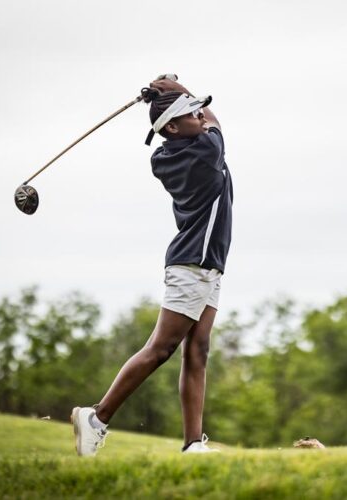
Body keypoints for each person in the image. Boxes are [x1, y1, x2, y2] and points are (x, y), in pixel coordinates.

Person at [71, 76, 233, 456]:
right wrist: (177, 85)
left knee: (198, 350)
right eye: (190, 111)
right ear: (173, 127)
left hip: (206, 265)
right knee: (160, 349)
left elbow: (196, 119)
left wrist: (173, 95)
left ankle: (193, 443)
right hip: (193, 266)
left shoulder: (164, 156)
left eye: (197, 108)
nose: (199, 113)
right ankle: (96, 419)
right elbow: (215, 123)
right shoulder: (206, 150)